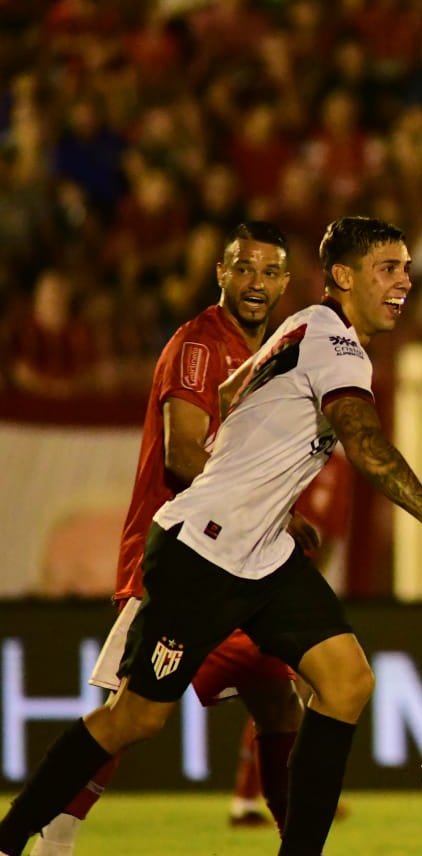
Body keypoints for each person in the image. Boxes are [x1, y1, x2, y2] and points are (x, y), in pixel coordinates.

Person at [0, 216, 422, 856]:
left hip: (261, 553)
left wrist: (262, 484)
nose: (405, 283)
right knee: (137, 716)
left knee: (348, 680)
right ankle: (10, 836)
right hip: (201, 551)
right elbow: (360, 438)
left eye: (407, 269)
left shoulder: (297, 327)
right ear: (343, 277)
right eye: (389, 269)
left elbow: (227, 391)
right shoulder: (333, 342)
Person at [33, 221, 306, 855]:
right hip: (181, 561)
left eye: (269, 273)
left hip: (243, 563)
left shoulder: (273, 356)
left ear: (286, 283)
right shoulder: (201, 346)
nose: (256, 284)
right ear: (221, 273)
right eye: (244, 269)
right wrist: (273, 506)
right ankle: (49, 840)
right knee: (126, 718)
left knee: (279, 704)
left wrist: (279, 519)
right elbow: (185, 457)